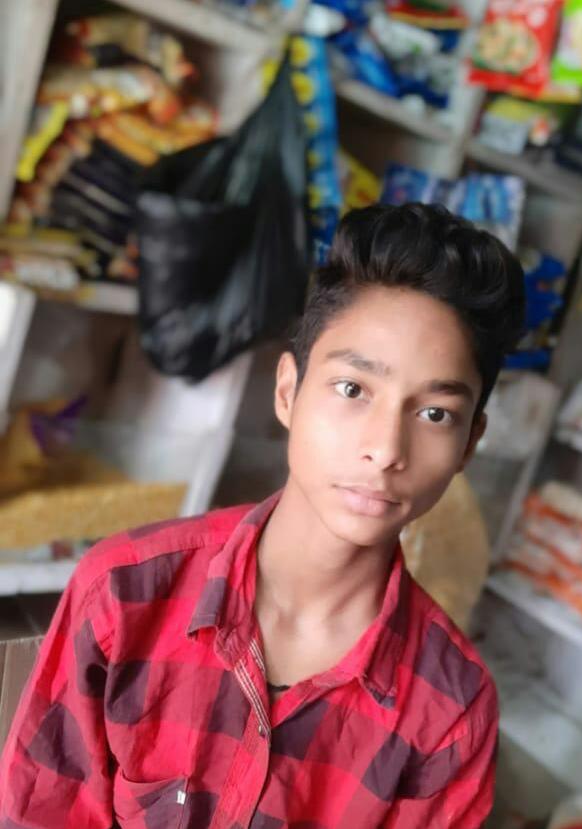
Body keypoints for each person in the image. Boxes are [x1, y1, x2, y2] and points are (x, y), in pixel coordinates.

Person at [0, 202, 525, 828]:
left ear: (468, 444)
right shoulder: (123, 593)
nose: (386, 449)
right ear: (287, 391)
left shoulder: (452, 710)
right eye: (353, 389)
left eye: (435, 413)